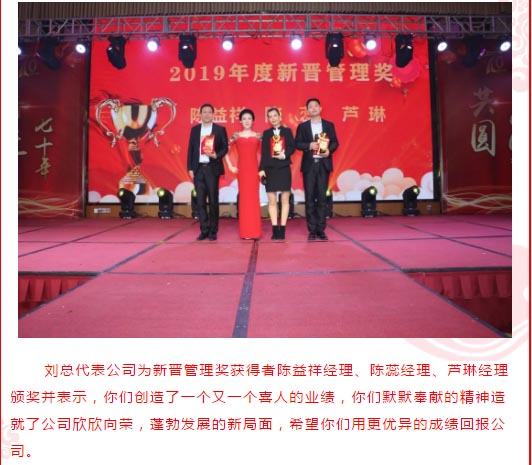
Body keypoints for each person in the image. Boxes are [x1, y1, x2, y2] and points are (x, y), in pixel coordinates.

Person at [295, 98, 339, 241]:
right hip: (309, 165)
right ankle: (312, 230)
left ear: (320, 108)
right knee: (309, 198)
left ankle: (321, 229)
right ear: (307, 110)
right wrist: (309, 145)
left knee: (322, 198)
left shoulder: (328, 125)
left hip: (323, 164)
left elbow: (335, 142)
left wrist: (329, 151)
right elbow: (297, 143)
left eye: (316, 106)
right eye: (310, 106)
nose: (313, 108)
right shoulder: (303, 127)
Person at [187, 103, 229, 241]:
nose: (206, 114)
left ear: (213, 114)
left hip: (212, 168)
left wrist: (216, 155)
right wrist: (190, 168)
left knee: (213, 201)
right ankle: (204, 230)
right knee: (200, 202)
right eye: (204, 112)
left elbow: (225, 148)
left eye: (209, 112)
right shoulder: (195, 130)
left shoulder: (219, 129)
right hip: (198, 169)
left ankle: (213, 231)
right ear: (200, 114)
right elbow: (191, 149)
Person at [259, 107, 296, 240]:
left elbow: (292, 147)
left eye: (275, 115)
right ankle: (275, 229)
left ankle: (283, 229)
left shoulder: (287, 131)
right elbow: (264, 152)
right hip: (270, 169)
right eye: (270, 116)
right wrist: (261, 169)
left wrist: (284, 155)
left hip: (284, 168)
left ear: (280, 117)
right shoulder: (266, 133)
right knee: (272, 200)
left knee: (285, 200)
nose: (273, 118)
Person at [226, 109, 262, 239]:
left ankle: (255, 231)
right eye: (244, 119)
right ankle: (246, 232)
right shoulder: (236, 136)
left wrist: (263, 168)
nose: (247, 121)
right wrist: (230, 166)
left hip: (254, 170)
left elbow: (267, 152)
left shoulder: (258, 136)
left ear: (253, 121)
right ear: (240, 121)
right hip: (242, 170)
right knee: (244, 199)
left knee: (254, 198)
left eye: (249, 118)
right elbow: (224, 150)